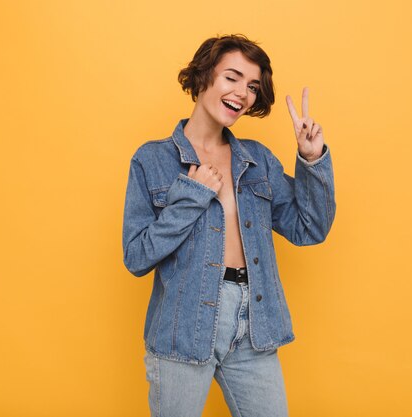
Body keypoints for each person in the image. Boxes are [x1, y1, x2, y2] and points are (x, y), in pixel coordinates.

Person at [122, 34, 336, 417]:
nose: (243, 93)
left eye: (252, 86)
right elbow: (136, 256)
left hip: (254, 325)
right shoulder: (151, 160)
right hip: (182, 327)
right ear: (204, 76)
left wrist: (312, 159)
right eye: (232, 78)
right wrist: (190, 195)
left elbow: (310, 228)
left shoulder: (257, 160)